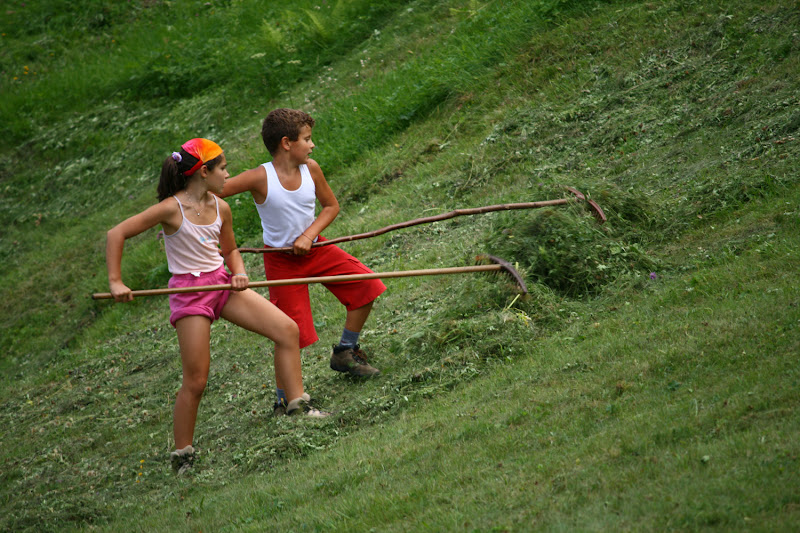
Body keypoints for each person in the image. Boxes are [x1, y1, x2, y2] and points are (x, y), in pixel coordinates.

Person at [105, 138, 327, 475]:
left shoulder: (221, 208)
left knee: (286, 330)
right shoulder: (171, 208)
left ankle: (296, 405)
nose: (227, 175)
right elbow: (116, 233)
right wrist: (116, 282)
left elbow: (231, 250)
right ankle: (183, 455)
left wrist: (239, 273)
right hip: (191, 294)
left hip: (222, 284)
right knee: (196, 380)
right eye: (222, 168)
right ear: (203, 172)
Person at [218, 108, 386, 384]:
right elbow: (215, 191)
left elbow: (331, 206)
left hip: (317, 249)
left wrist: (309, 235)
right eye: (307, 139)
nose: (312, 144)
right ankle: (285, 399)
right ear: (287, 143)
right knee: (287, 331)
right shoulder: (260, 177)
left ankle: (345, 351)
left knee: (366, 286)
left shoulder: (312, 169)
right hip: (281, 262)